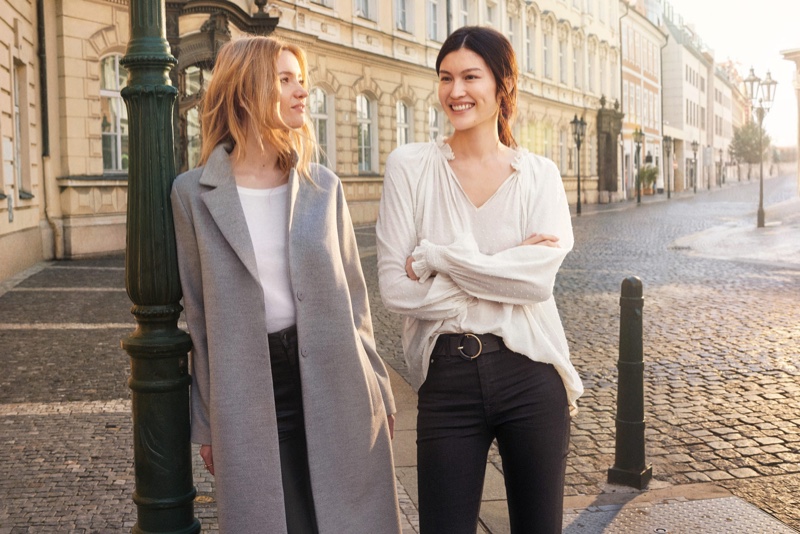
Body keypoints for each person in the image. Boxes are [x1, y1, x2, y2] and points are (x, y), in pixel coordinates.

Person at [171, 36, 401, 534]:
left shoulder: (324, 186)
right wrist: (208, 421)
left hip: (336, 378)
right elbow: (199, 318)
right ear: (245, 88)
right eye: (285, 79)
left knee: (347, 518)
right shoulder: (193, 194)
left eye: (303, 80)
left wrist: (380, 387)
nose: (302, 92)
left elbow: (356, 301)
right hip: (248, 388)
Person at [376, 26, 583, 534]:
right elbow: (396, 289)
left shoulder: (540, 176)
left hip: (532, 375)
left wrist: (440, 258)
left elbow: (535, 285)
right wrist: (506, 264)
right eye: (445, 78)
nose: (455, 91)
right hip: (447, 378)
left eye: (471, 76)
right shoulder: (410, 167)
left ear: (502, 85)